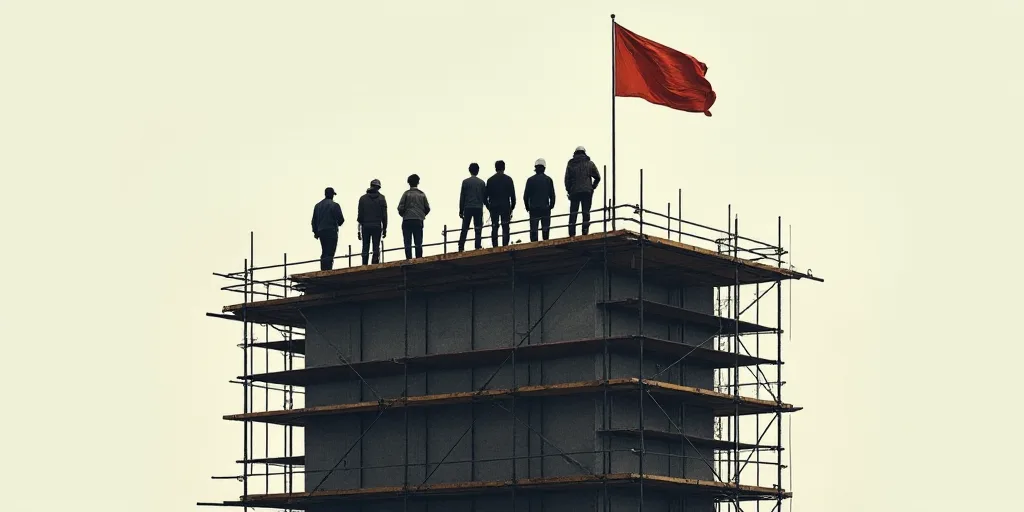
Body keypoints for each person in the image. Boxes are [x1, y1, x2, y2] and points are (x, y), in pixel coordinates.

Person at [564, 146, 601, 237]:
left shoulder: (571, 164)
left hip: (574, 192)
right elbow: (598, 177)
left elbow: (567, 180)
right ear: (584, 153)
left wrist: (569, 190)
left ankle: (572, 233)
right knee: (586, 212)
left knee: (573, 213)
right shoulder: (590, 163)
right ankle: (585, 232)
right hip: (587, 191)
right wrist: (592, 187)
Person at [311, 187, 345, 270]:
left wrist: (316, 232)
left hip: (321, 232)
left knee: (324, 251)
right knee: (330, 252)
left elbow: (313, 221)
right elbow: (341, 220)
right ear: (332, 194)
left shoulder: (317, 206)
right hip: (331, 231)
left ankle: (323, 269)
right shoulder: (334, 205)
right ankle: (328, 269)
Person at [397, 174, 430, 259]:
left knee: (407, 242)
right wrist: (421, 214)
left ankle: (409, 259)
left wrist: (404, 214)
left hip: (407, 220)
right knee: (418, 242)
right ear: (418, 182)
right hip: (418, 220)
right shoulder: (422, 194)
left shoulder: (406, 194)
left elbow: (400, 207)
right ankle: (419, 259)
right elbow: (427, 208)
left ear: (408, 183)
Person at [523, 158, 556, 242]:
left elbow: (525, 196)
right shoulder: (548, 180)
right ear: (544, 168)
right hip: (545, 208)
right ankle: (545, 244)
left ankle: (534, 245)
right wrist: (550, 206)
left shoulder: (530, 180)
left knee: (534, 230)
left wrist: (528, 207)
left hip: (533, 209)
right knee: (545, 229)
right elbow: (552, 195)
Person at [356, 179, 387, 265]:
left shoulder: (362, 199)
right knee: (376, 246)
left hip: (365, 226)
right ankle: (375, 263)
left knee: (365, 246)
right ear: (378, 187)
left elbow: (360, 216)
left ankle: (364, 264)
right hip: (377, 225)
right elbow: (384, 215)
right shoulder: (381, 198)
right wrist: (385, 228)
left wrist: (359, 230)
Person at [485, 160, 516, 247]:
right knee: (505, 227)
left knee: (495, 226)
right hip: (505, 206)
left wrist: (489, 206)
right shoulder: (508, 179)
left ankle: (495, 246)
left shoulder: (490, 180)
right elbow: (513, 196)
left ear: (495, 168)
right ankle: (505, 245)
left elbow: (485, 197)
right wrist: (511, 208)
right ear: (504, 168)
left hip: (494, 207)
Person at [458, 163, 486, 252]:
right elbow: (484, 197)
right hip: (478, 207)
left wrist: (461, 210)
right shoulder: (482, 183)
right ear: (478, 170)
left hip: (468, 207)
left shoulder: (465, 182)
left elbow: (462, 197)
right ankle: (477, 245)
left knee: (465, 227)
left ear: (469, 170)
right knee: (478, 228)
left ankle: (461, 246)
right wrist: (488, 207)